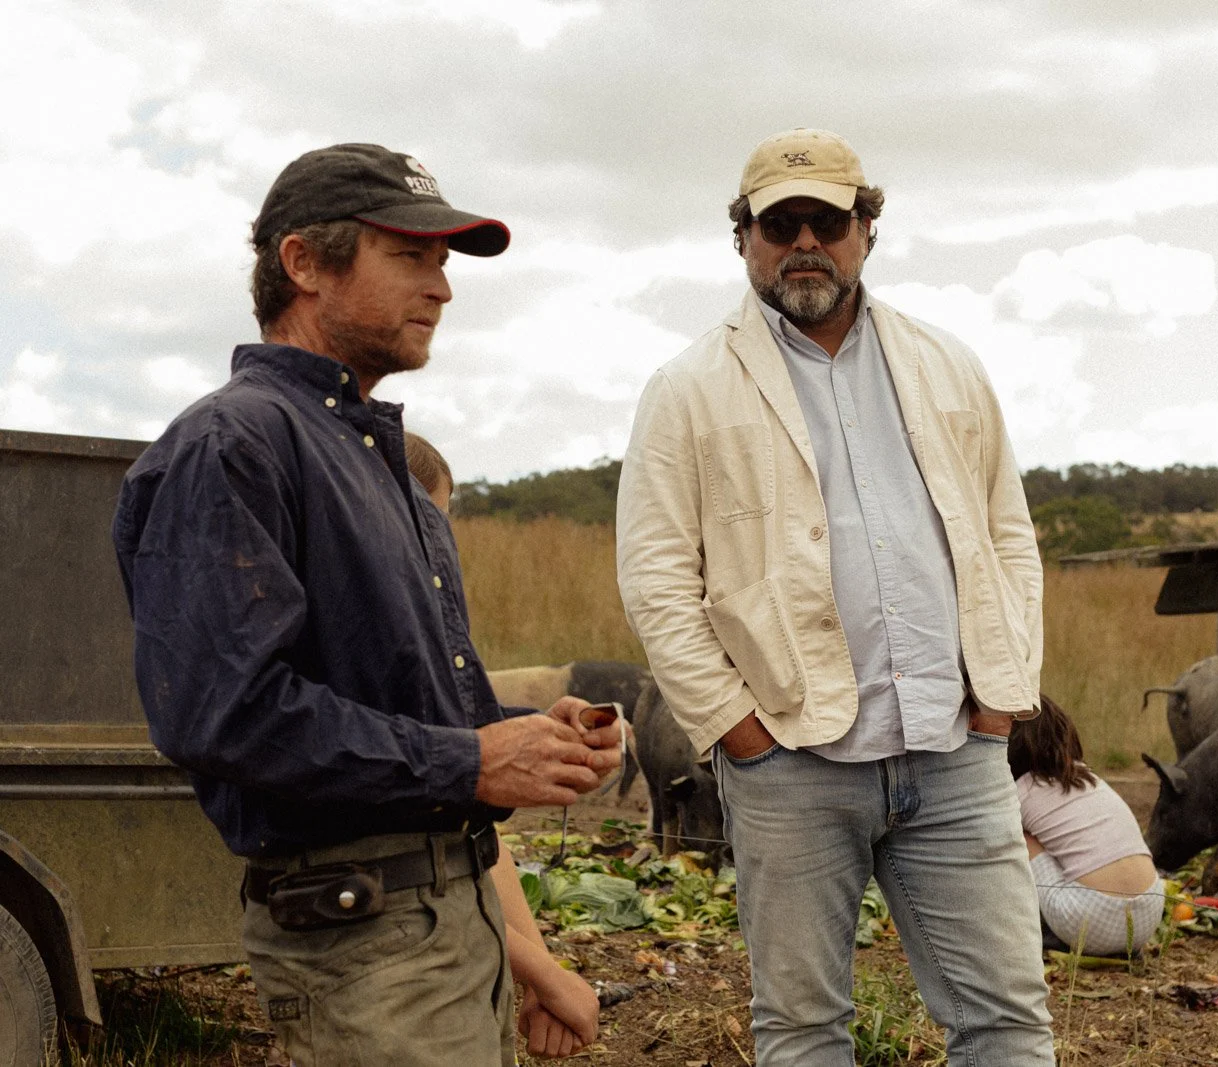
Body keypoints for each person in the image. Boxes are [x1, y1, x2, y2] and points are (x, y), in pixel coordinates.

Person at [112, 143, 620, 1067]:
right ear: (304, 262)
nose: (443, 288)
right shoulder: (232, 445)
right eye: (412, 257)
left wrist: (526, 737)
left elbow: (403, 717)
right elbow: (223, 715)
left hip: (444, 930)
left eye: (445, 263)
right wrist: (469, 757)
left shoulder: (374, 454)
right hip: (363, 947)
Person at [615, 128, 1056, 1065]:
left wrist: (1000, 698)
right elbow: (656, 580)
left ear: (867, 230)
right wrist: (740, 731)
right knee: (805, 1028)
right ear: (744, 239)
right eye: (781, 223)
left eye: (829, 219)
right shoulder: (688, 389)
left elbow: (1008, 538)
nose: (805, 241)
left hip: (953, 752)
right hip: (792, 762)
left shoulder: (948, 367)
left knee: (1008, 1020)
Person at [404, 430, 602, 1057]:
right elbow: (420, 875)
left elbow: (482, 848)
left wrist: (543, 972)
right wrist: (547, 977)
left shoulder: (433, 651)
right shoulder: (382, 661)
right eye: (435, 521)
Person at [1009, 696, 1164, 956]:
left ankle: (1039, 930)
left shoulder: (1018, 792)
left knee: (1018, 835)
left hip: (1090, 920)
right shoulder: (1088, 778)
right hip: (1151, 909)